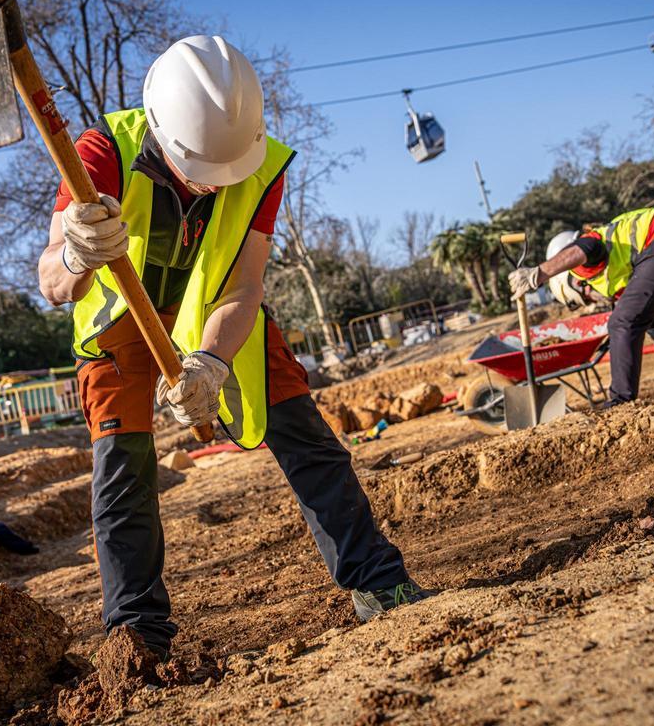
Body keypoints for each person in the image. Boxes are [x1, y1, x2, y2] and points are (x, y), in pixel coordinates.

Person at [37, 35, 429, 658]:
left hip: (218, 312)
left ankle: (380, 584)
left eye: (230, 172)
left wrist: (212, 362)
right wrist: (74, 250)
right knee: (123, 476)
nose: (219, 187)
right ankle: (136, 640)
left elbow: (245, 285)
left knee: (307, 436)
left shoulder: (259, 165)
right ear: (165, 138)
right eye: (203, 173)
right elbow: (54, 284)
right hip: (119, 329)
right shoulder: (99, 151)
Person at [509, 205, 654, 406]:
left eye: (587, 297)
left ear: (576, 284)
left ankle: (620, 401)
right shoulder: (631, 277)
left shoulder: (587, 257)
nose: (595, 300)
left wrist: (537, 274)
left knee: (621, 321)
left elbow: (585, 250)